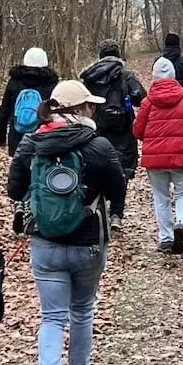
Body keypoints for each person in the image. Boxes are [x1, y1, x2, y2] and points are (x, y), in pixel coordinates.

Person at [7, 79, 127, 365]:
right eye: (90, 105)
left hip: (45, 243)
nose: (94, 109)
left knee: (51, 316)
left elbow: (14, 186)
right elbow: (118, 187)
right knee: (83, 309)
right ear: (81, 109)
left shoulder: (32, 142)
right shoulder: (98, 145)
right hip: (88, 240)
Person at [133, 57, 183, 254]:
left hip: (155, 160)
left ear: (154, 78)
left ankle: (166, 238)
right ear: (174, 76)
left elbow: (138, 132)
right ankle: (181, 223)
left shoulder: (147, 103)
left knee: (161, 197)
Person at [79, 40, 146, 229]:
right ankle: (116, 213)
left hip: (96, 128)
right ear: (118, 55)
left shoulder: (90, 77)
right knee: (122, 170)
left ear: (100, 56)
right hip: (123, 130)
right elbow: (141, 97)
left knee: (94, 166)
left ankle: (97, 207)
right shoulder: (126, 75)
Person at [0, 47, 59, 234]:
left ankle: (18, 204)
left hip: (18, 135)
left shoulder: (15, 82)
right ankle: (33, 208)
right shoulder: (51, 84)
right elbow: (56, 112)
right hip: (42, 134)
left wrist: (1, 135)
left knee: (19, 171)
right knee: (38, 170)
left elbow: (5, 110)